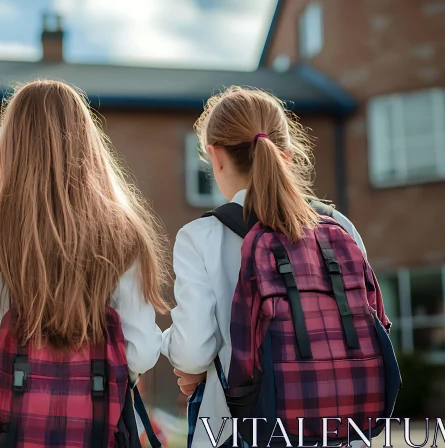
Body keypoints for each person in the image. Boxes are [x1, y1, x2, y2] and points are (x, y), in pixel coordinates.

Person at [0, 80, 169, 447]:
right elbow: (139, 352)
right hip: (99, 428)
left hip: (6, 430)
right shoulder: (124, 232)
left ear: (10, 144)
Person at [162, 86, 391, 448]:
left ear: (215, 156)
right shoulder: (338, 226)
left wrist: (183, 358)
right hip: (343, 430)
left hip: (241, 431)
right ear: (286, 154)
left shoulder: (201, 236)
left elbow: (192, 350)